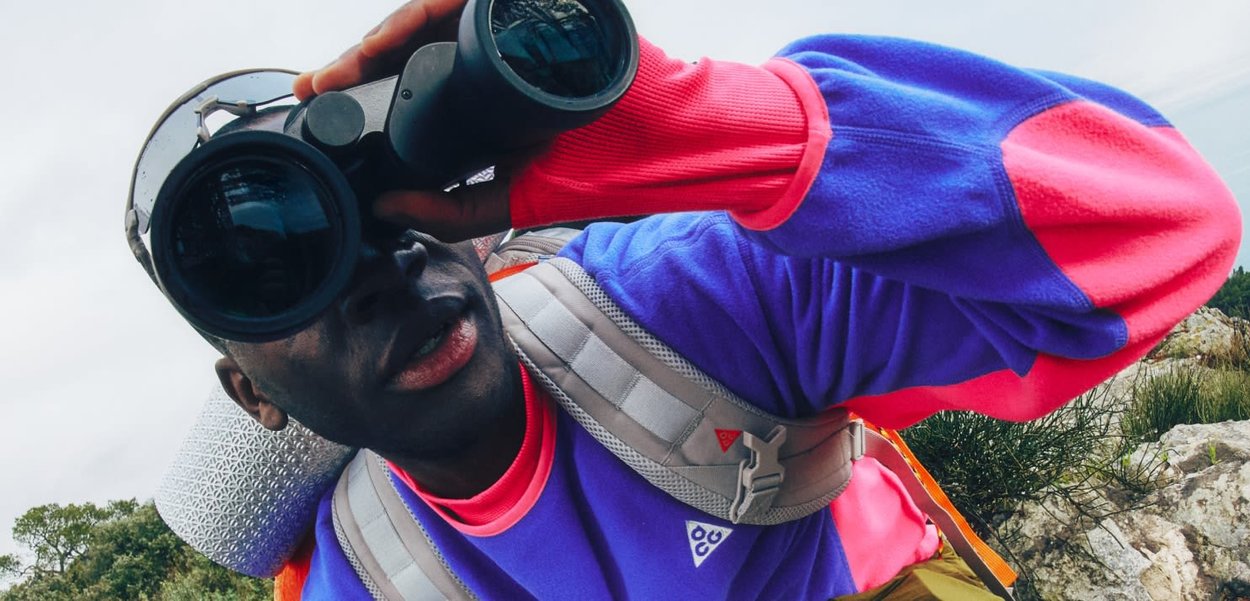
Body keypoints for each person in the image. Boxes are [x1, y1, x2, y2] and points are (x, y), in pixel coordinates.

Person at [130, 0, 1242, 598]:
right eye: (278, 273)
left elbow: (1160, 226)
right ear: (251, 392)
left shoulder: (684, 310)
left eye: (387, 209)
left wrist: (698, 130)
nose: (379, 270)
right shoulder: (364, 580)